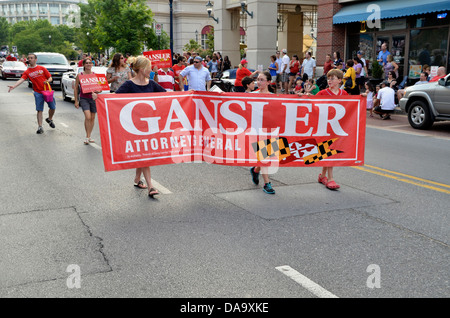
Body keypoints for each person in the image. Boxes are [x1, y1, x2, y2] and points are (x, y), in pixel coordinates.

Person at [114, 56, 166, 197]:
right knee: (145, 155)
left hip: (150, 126)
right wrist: (98, 98)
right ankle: (150, 187)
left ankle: (137, 179)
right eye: (149, 67)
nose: (151, 69)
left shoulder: (152, 84)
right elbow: (114, 99)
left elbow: (167, 97)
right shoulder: (129, 85)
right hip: (134, 127)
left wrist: (189, 95)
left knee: (142, 154)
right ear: (142, 70)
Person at [315, 69, 348, 190]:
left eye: (332, 78)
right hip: (323, 127)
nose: (329, 80)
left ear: (339, 80)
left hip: (337, 128)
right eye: (328, 78)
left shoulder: (344, 94)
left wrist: (363, 97)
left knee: (330, 150)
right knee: (329, 151)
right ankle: (330, 178)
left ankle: (322, 176)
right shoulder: (322, 93)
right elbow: (311, 105)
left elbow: (351, 107)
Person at [8, 53, 55, 134]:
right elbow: (21, 80)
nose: (30, 59)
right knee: (39, 110)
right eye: (29, 58)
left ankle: (49, 119)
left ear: (35, 59)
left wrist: (48, 80)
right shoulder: (27, 72)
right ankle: (40, 127)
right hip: (38, 92)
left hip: (47, 91)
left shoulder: (42, 68)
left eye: (31, 58)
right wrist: (14, 86)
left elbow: (50, 77)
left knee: (52, 107)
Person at [249, 71, 276, 194]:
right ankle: (267, 183)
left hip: (270, 129)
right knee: (264, 155)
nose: (258, 82)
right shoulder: (252, 95)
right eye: (257, 80)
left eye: (262, 80)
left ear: (268, 82)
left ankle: (255, 170)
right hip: (256, 130)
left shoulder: (273, 96)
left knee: (267, 155)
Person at [74, 57, 101, 144]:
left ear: (92, 64)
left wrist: (97, 92)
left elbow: (100, 88)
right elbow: (75, 88)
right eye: (87, 63)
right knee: (88, 117)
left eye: (90, 63)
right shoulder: (80, 75)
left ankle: (89, 136)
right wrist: (76, 100)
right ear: (84, 65)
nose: (88, 64)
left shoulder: (95, 75)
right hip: (84, 98)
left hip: (93, 98)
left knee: (92, 118)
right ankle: (87, 136)